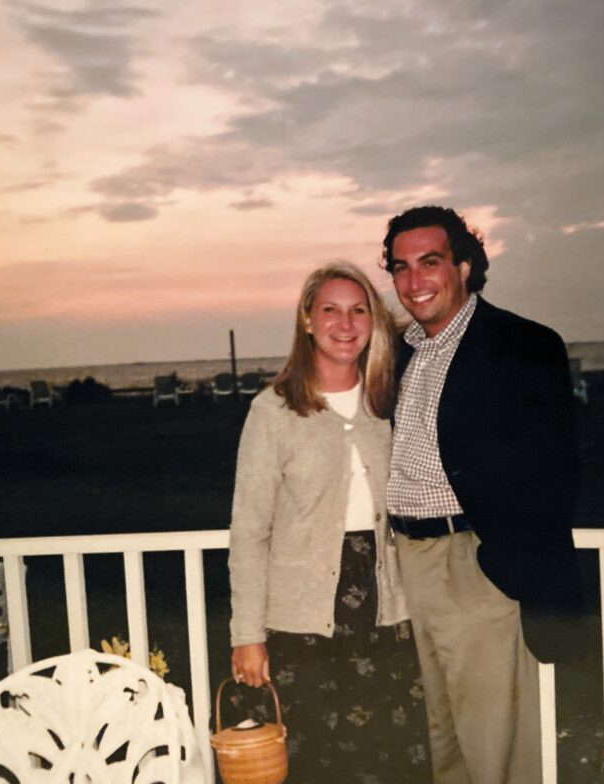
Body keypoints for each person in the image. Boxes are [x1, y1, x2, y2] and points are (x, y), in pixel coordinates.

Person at [382, 205, 583, 784]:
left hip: (474, 561)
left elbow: (556, 470)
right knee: (435, 734)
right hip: (405, 563)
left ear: (465, 266)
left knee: (493, 740)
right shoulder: (399, 351)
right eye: (400, 267)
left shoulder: (522, 345)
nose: (414, 281)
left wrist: (501, 561)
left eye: (430, 262)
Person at [228, 263, 430, 783]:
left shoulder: (389, 403)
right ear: (308, 320)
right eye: (331, 310)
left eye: (359, 310)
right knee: (317, 760)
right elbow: (250, 531)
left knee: (392, 752)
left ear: (374, 322)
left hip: (387, 608)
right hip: (303, 618)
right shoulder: (272, 412)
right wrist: (247, 634)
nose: (346, 323)